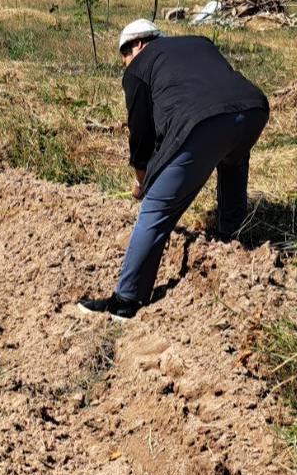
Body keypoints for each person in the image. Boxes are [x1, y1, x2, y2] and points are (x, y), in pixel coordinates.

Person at [77, 19, 269, 320]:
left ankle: (126, 300)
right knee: (232, 158)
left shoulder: (139, 67)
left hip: (201, 123)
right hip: (253, 109)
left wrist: (143, 183)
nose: (125, 64)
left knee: (156, 210)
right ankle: (230, 239)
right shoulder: (199, 42)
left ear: (137, 44)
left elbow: (141, 136)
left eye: (124, 56)